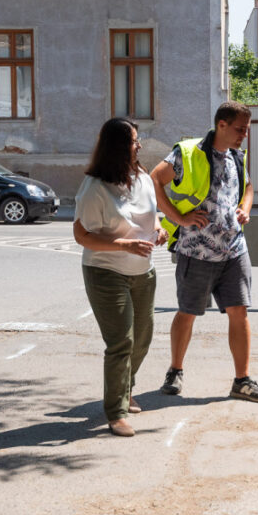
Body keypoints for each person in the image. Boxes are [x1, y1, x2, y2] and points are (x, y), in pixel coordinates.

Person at [150, 101, 258, 403]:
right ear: (222, 125)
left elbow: (248, 187)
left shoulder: (237, 156)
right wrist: (178, 218)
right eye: (240, 129)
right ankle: (175, 371)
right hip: (197, 251)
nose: (244, 134)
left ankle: (242, 381)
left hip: (233, 249)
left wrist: (244, 208)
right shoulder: (188, 152)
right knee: (188, 312)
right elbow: (153, 179)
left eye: (246, 129)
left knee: (239, 311)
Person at [73, 118, 167, 437]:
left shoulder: (140, 176)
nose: (138, 146)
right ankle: (116, 412)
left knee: (142, 337)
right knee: (121, 341)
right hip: (105, 271)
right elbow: (81, 234)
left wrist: (159, 230)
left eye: (138, 140)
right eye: (133, 141)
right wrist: (122, 243)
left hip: (143, 271)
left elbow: (150, 216)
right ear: (116, 147)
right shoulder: (95, 188)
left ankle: (126, 389)